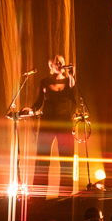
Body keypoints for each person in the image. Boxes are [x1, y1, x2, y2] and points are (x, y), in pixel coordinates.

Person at [29, 54, 79, 196]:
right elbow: (38, 102)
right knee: (43, 160)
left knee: (66, 160)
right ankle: (39, 196)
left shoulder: (69, 81)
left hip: (64, 124)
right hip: (48, 124)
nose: (59, 64)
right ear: (50, 65)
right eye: (56, 62)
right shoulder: (44, 82)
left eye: (61, 61)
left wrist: (71, 76)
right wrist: (31, 110)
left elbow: (75, 96)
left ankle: (65, 195)